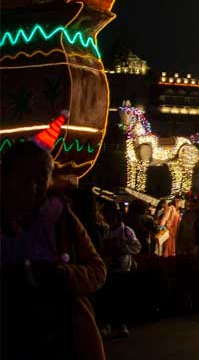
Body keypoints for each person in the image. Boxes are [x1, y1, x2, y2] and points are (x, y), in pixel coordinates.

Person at [0, 140, 107, 360]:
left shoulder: (62, 218)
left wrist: (63, 274)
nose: (34, 188)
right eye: (25, 179)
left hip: (63, 338)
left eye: (41, 179)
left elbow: (97, 269)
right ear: (5, 177)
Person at [98, 203, 141, 338]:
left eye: (112, 216)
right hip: (108, 270)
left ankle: (121, 325)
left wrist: (121, 249)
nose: (110, 219)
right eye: (107, 216)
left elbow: (136, 246)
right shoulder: (103, 231)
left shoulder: (127, 231)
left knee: (122, 299)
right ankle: (107, 325)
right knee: (107, 299)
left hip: (123, 270)